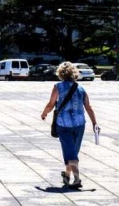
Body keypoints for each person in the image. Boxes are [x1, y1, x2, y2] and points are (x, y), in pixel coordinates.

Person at [40, 61, 97, 189]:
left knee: (70, 152)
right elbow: (88, 107)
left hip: (63, 124)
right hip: (79, 124)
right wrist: (94, 123)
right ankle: (66, 175)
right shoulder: (80, 88)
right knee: (73, 151)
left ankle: (77, 179)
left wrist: (44, 113)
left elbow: (51, 104)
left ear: (60, 73)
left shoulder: (58, 87)